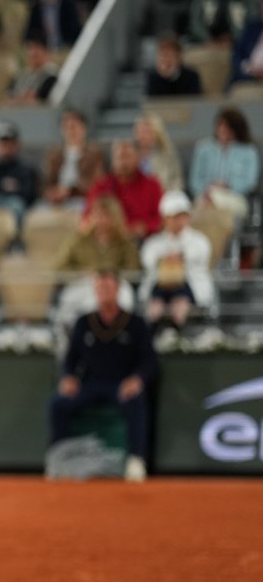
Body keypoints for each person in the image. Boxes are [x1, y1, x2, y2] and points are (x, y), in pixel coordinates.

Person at [49, 270, 158, 483]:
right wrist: (68, 377)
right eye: (100, 288)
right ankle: (60, 460)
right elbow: (71, 358)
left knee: (137, 403)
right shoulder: (84, 322)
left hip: (121, 385)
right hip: (90, 384)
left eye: (108, 288)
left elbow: (150, 361)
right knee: (57, 404)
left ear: (117, 290)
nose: (104, 292)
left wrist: (137, 379)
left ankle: (136, 460)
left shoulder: (135, 323)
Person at [138, 190, 215, 329]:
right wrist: (163, 259)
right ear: (165, 218)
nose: (178, 221)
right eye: (174, 217)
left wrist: (181, 257)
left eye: (182, 216)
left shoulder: (199, 240)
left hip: (188, 286)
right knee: (154, 308)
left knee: (180, 305)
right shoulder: (154, 242)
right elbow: (147, 259)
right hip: (160, 286)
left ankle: (178, 333)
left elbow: (201, 254)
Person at [188, 105, 259, 220]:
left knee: (218, 207)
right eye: (220, 125)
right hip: (205, 197)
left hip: (234, 197)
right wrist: (207, 192)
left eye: (227, 127)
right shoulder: (203, 148)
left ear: (236, 129)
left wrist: (227, 186)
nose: (223, 130)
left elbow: (250, 182)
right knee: (203, 208)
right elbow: (195, 180)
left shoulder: (248, 151)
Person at [86, 140, 164, 239]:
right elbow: (87, 219)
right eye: (119, 157)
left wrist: (144, 227)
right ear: (113, 160)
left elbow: (161, 219)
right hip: (109, 239)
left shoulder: (152, 185)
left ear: (138, 158)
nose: (123, 162)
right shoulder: (100, 186)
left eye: (127, 156)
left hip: (143, 239)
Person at [55, 195, 140, 278]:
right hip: (82, 283)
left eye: (106, 216)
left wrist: (113, 275)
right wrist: (82, 274)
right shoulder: (79, 239)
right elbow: (61, 268)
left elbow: (134, 270)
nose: (101, 220)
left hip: (115, 284)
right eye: (98, 215)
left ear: (115, 218)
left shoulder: (124, 242)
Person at [42, 108, 105, 208]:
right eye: (66, 127)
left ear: (84, 129)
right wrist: (52, 192)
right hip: (56, 199)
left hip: (82, 198)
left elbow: (96, 182)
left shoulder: (95, 154)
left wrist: (70, 191)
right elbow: (46, 181)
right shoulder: (54, 155)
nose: (71, 131)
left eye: (74, 126)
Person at [134, 111, 185, 194]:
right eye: (140, 131)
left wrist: (170, 193)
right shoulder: (131, 153)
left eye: (147, 132)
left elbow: (177, 180)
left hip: (164, 194)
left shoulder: (167, 153)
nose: (143, 136)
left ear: (157, 134)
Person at [189, 0, 260, 46]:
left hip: (238, 44)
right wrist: (208, 40)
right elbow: (195, 23)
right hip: (206, 44)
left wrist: (235, 40)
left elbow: (253, 25)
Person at [7, 33, 59, 106]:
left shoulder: (51, 75)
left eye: (37, 47)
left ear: (46, 51)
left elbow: (43, 99)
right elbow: (9, 93)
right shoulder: (22, 74)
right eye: (30, 48)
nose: (32, 52)